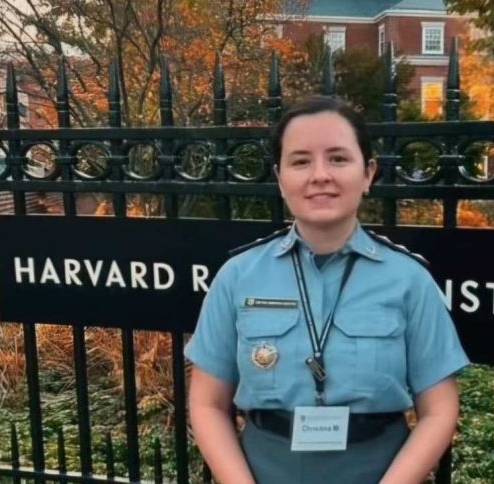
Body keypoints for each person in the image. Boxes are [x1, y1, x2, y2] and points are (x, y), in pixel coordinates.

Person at [185, 96, 470, 484]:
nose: (320, 175)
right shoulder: (238, 276)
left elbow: (439, 409)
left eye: (338, 158)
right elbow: (207, 404)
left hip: (379, 470)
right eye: (301, 161)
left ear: (368, 174)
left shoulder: (409, 280)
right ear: (279, 177)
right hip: (263, 470)